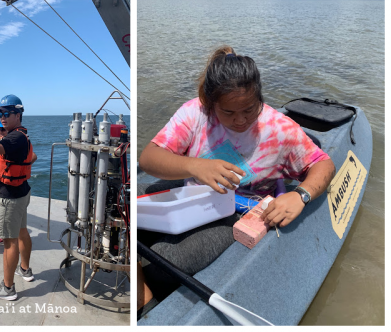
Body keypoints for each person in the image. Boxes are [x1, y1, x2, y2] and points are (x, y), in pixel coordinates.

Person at [136, 46, 335, 315]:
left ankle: (144, 294)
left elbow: (322, 163)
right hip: (191, 196)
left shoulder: (279, 129)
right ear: (209, 102)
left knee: (162, 260)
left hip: (235, 213)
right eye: (228, 113)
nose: (240, 120)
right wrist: (195, 166)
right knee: (120, 201)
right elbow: (148, 158)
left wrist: (300, 195)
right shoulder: (195, 113)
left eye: (249, 110)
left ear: (260, 99)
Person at [0, 94, 37, 301]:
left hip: (10, 196)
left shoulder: (15, 137)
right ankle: (24, 269)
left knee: (9, 241)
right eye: (0, 114)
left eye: (7, 113)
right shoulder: (19, 136)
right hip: (21, 192)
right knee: (22, 232)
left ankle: (7, 288)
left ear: (18, 115)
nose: (2, 117)